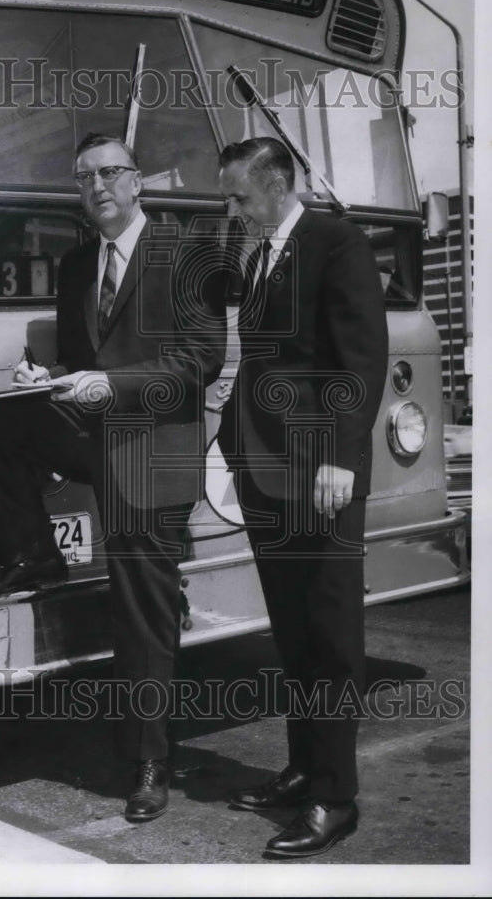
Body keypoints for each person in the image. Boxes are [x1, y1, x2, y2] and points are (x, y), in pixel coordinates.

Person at [0, 133, 226, 822]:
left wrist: (107, 384)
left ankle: (147, 760)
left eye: (110, 173)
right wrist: (46, 380)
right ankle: (36, 557)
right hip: (94, 434)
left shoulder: (187, 253)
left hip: (152, 448)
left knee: (140, 613)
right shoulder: (78, 264)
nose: (97, 186)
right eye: (84, 179)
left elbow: (198, 361)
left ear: (138, 182)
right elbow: (83, 360)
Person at [217, 137, 388, 858]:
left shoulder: (334, 241)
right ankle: (300, 768)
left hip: (319, 473)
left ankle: (334, 796)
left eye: (237, 196)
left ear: (277, 185)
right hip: (263, 469)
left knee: (330, 637)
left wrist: (341, 459)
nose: (230, 209)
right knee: (291, 633)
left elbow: (359, 355)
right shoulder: (260, 253)